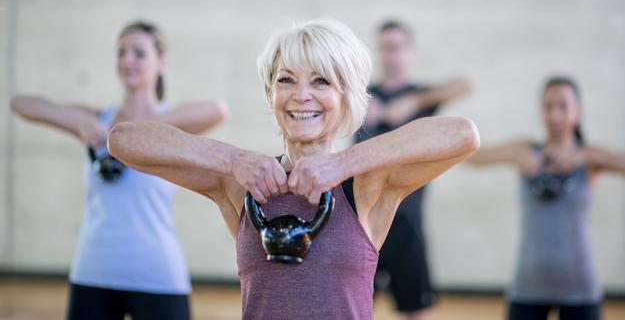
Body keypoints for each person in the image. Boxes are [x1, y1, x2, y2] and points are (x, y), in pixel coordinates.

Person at [107, 18, 480, 319]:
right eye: (286, 79)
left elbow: (462, 134)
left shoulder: (366, 187)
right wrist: (233, 159)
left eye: (321, 81)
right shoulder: (242, 184)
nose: (302, 95)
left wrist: (342, 163)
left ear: (345, 96)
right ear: (271, 94)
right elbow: (123, 140)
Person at [10, 20, 229, 320]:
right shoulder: (99, 120)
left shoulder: (171, 123)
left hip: (157, 275)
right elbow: (21, 104)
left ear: (160, 62)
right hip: (93, 272)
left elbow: (218, 109)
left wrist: (136, 134)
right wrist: (80, 123)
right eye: (121, 52)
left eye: (139, 53)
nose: (127, 60)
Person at [465, 76, 625, 320]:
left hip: (579, 285)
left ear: (577, 112)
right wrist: (517, 157)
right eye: (549, 106)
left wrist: (584, 156)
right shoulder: (526, 150)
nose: (555, 115)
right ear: (541, 111)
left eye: (563, 106)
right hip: (528, 285)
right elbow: (473, 157)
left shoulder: (590, 158)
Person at [356, 20, 472, 319]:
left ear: (409, 51)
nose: (390, 54)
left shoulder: (420, 96)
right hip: (362, 221)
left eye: (396, 47)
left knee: (417, 310)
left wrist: (413, 102)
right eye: (385, 47)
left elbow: (465, 84)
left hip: (407, 221)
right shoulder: (362, 97)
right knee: (351, 305)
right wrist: (356, 104)